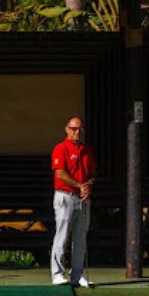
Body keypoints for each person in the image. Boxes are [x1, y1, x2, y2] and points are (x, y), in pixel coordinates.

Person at [50, 117, 96, 287]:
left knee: (80, 238)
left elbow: (92, 172)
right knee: (62, 236)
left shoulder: (86, 149)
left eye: (80, 129)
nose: (77, 132)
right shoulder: (60, 148)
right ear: (67, 130)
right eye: (74, 129)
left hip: (82, 198)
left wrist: (88, 186)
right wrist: (80, 186)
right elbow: (60, 174)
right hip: (65, 196)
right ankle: (57, 274)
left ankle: (77, 275)